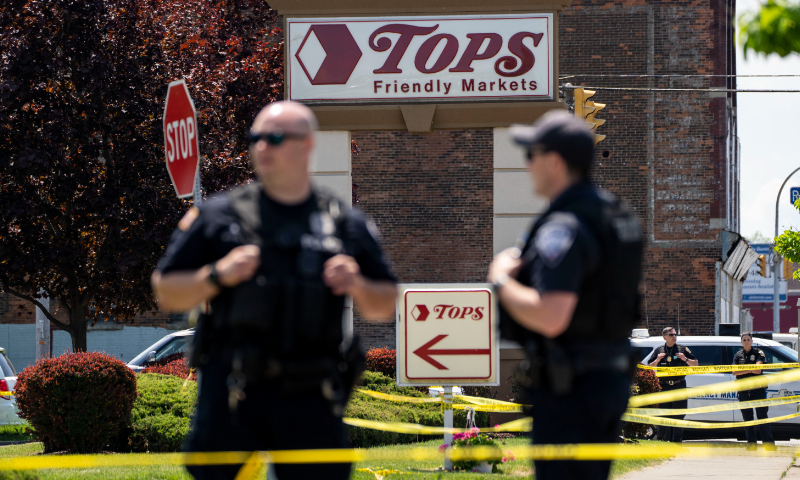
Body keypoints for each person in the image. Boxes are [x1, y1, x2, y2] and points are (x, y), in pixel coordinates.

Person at [151, 101, 398, 480]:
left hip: (311, 391)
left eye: (276, 138)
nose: (262, 147)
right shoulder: (220, 215)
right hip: (234, 388)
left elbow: (385, 304)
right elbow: (166, 290)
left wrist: (358, 284)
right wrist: (217, 274)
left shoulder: (343, 222)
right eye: (256, 138)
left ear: (307, 146)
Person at [488, 110, 644, 480]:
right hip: (606, 379)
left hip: (570, 390)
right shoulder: (615, 215)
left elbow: (552, 315)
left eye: (531, 156)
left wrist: (500, 280)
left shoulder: (564, 225)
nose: (527, 166)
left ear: (554, 163)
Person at [644, 327, 698, 442]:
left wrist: (685, 359)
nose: (674, 336)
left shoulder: (682, 349)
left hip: (679, 385)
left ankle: (677, 442)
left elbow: (696, 364)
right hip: (664, 386)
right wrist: (657, 360)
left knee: (678, 414)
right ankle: (661, 441)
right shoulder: (659, 350)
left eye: (675, 334)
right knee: (663, 414)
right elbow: (648, 367)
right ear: (664, 337)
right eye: (671, 335)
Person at [733, 332, 776, 450]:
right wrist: (750, 369)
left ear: (752, 341)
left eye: (748, 339)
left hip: (758, 389)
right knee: (747, 418)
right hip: (743, 390)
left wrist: (744, 370)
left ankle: (769, 445)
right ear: (741, 342)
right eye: (744, 340)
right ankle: (751, 445)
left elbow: (758, 370)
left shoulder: (758, 353)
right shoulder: (738, 355)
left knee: (762, 416)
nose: (746, 342)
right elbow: (734, 372)